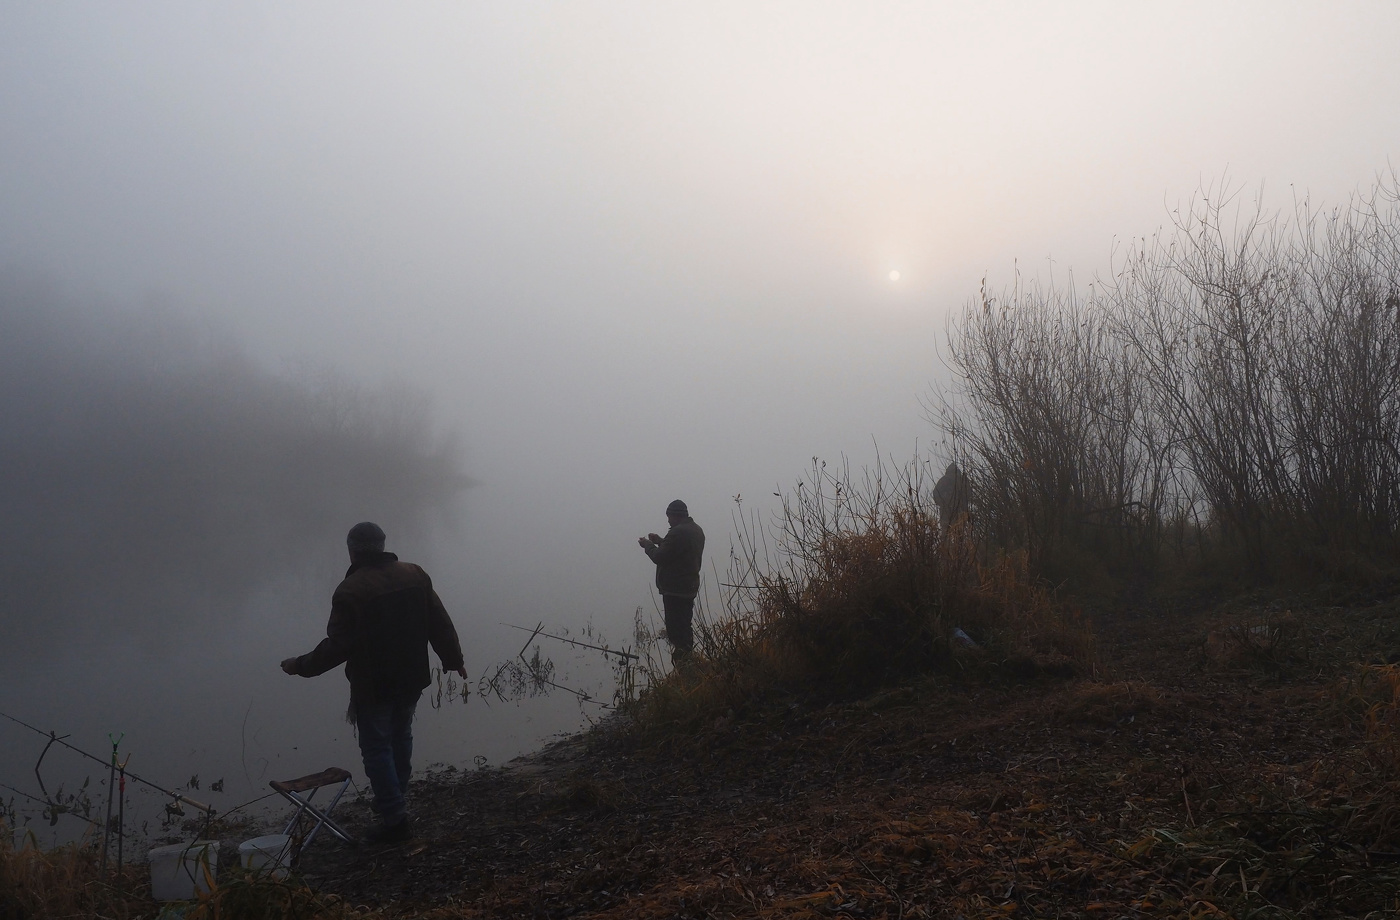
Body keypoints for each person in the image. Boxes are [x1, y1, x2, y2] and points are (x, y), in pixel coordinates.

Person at [280, 522, 466, 844]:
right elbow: (439, 621)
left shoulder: (350, 590)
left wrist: (299, 666)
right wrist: (453, 659)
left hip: (374, 685)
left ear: (351, 550)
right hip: (412, 677)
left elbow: (338, 647)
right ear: (382, 546)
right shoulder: (414, 574)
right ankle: (393, 801)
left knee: (378, 747)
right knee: (400, 736)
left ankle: (394, 819)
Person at [637, 499, 705, 660]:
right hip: (689, 586)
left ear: (675, 516)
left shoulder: (678, 532)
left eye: (669, 516)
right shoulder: (696, 530)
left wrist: (647, 545)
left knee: (675, 630)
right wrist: (660, 541)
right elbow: (679, 550)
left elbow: (659, 557)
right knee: (685, 625)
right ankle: (689, 659)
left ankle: (682, 663)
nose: (668, 520)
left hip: (675, 590)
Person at [932, 461, 971, 529]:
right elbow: (969, 495)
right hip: (960, 512)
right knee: (960, 533)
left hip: (947, 513)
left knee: (946, 534)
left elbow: (936, 494)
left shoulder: (944, 480)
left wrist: (943, 503)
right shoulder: (963, 480)